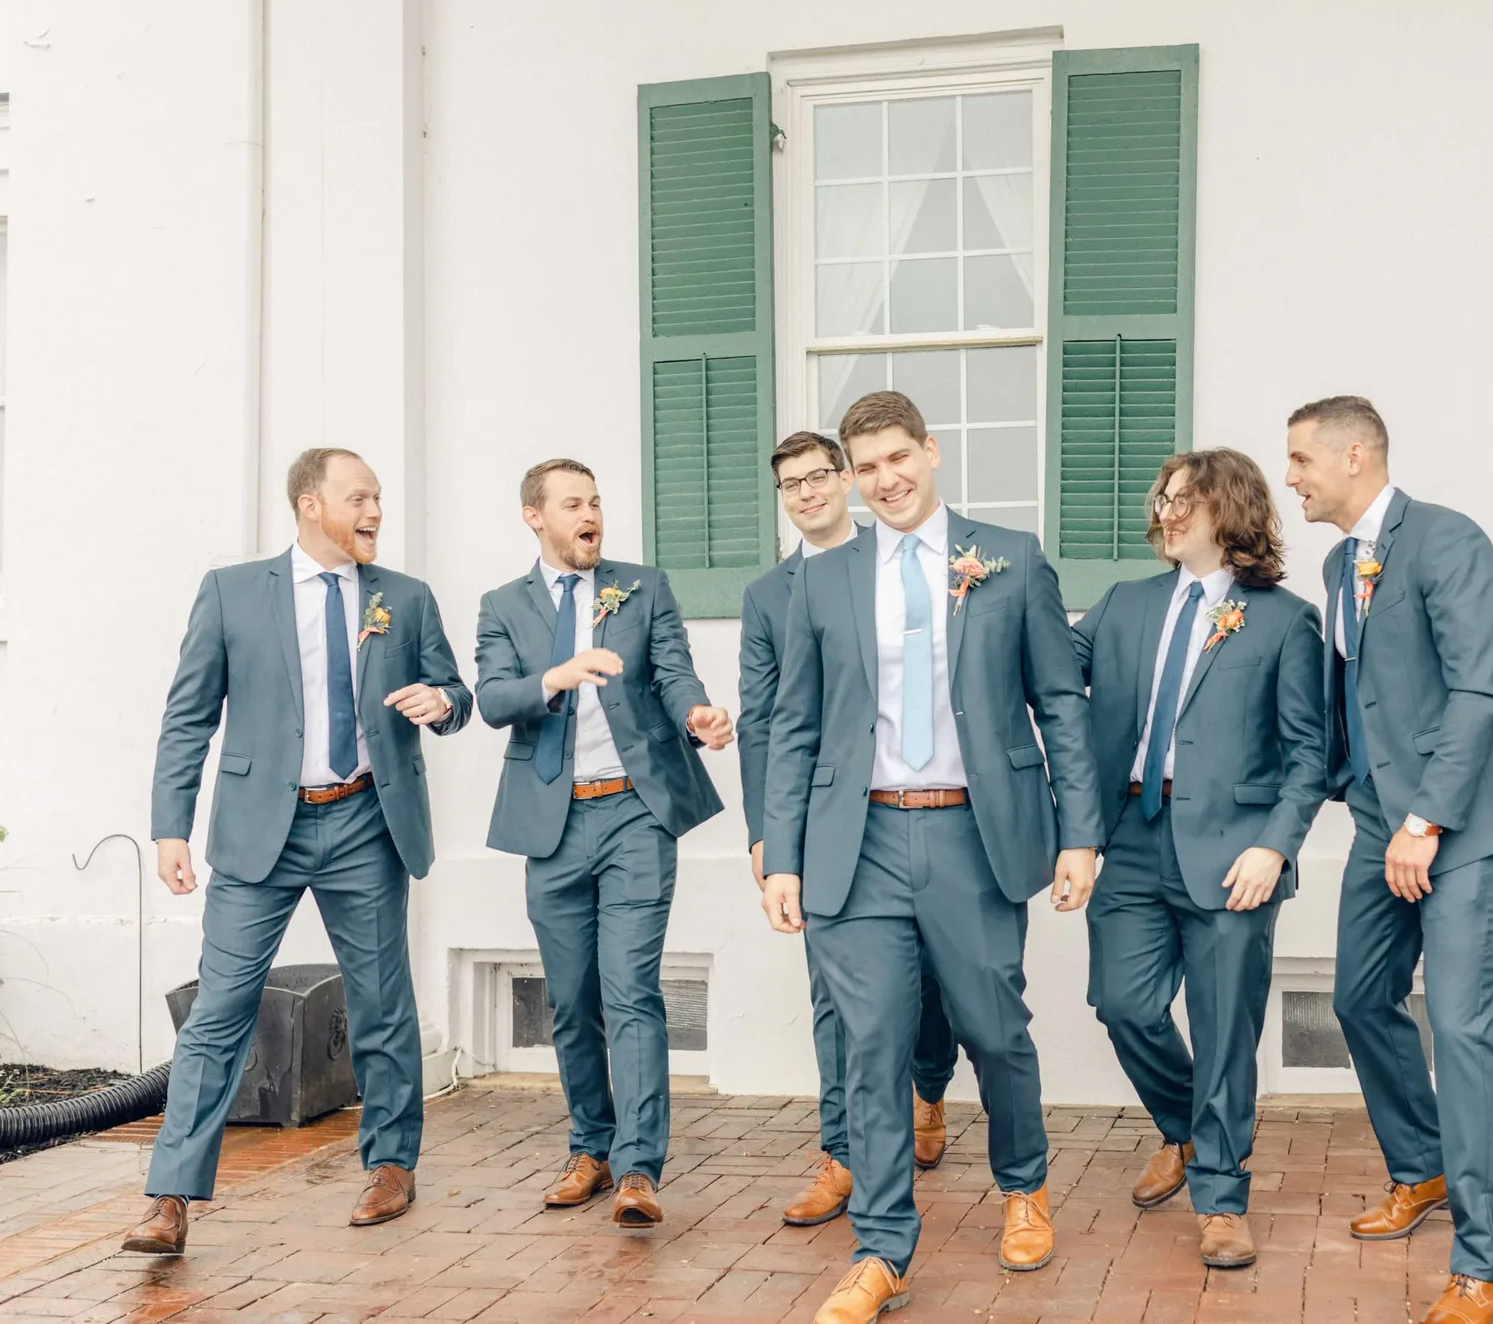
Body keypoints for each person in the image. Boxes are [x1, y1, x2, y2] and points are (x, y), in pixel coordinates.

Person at [760, 391, 1102, 1324]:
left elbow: (1060, 704)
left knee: (993, 1026)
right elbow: (795, 724)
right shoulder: (824, 579)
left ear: (931, 452)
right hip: (855, 842)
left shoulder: (1008, 559)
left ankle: (1024, 1187)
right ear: (849, 476)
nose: (885, 480)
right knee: (870, 1045)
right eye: (866, 467)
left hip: (970, 833)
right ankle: (881, 1249)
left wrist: (1081, 833)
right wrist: (781, 854)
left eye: (897, 458)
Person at [125, 448, 472, 1255]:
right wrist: (169, 825)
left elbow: (456, 694)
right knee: (219, 1012)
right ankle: (170, 1196)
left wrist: (443, 701)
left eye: (379, 498)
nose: (376, 511)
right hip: (259, 829)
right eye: (360, 498)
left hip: (364, 822)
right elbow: (188, 718)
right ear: (311, 504)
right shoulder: (232, 592)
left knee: (383, 1003)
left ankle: (392, 1163)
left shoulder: (405, 598)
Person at [1285, 397, 1493, 1324]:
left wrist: (1429, 820)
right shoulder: (1335, 560)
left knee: (1465, 1029)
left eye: (1303, 458)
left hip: (1452, 825)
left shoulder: (1447, 539)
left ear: (1357, 455)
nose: (1292, 477)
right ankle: (1424, 1166)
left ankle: (1486, 1266)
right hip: (1374, 817)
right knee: (1357, 998)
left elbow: (1482, 687)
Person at [1071, 448, 1325, 1269]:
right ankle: (1186, 1129)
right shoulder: (1122, 605)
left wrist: (1273, 845)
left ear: (1232, 511)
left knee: (1223, 1032)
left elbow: (1307, 756)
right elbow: (1047, 670)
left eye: (1187, 500)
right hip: (1134, 837)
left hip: (1232, 853)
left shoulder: (1285, 620)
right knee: (1122, 1004)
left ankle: (1221, 1195)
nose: (1168, 512)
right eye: (1164, 497)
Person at [474, 458, 734, 1227]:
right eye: (572, 504)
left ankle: (638, 1168)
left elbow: (675, 673)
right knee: (573, 1000)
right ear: (535, 517)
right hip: (551, 825)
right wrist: (558, 674)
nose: (591, 514)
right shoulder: (501, 606)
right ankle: (589, 1145)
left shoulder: (643, 586)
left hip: (633, 815)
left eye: (596, 501)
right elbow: (492, 699)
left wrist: (698, 715)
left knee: (631, 991)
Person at [737, 430, 963, 1229]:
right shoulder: (769, 595)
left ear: (847, 480)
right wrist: (770, 833)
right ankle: (842, 1154)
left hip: (926, 819)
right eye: (789, 483)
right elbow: (766, 720)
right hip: (828, 828)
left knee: (937, 990)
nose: (806, 493)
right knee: (834, 997)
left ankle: (929, 1088)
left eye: (818, 475)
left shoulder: (901, 559)